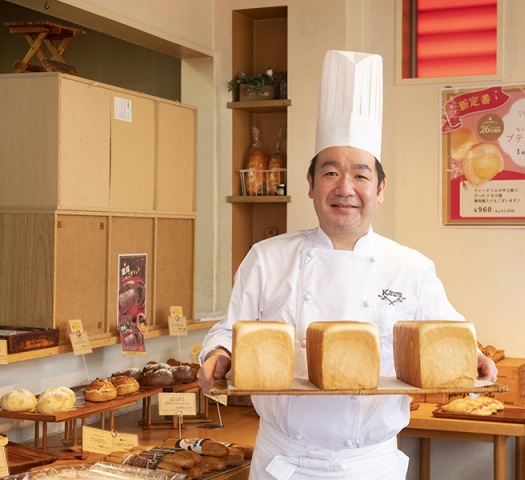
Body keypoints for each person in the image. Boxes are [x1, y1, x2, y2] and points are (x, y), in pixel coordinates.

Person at [198, 50, 498, 480]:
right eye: (330, 173)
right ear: (309, 184)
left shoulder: (410, 267)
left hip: (369, 464)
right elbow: (230, 328)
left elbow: (447, 335)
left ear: (380, 189)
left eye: (360, 174)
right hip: (284, 461)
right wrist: (218, 353)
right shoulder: (267, 258)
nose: (345, 188)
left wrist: (475, 355)